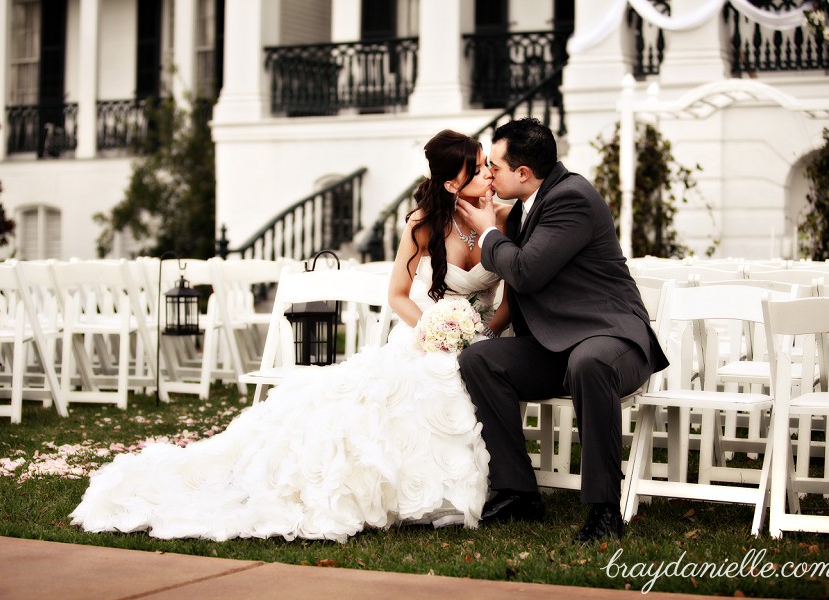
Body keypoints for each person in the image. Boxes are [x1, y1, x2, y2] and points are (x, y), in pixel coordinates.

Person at [69, 129, 512, 543]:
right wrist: (434, 330)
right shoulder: (424, 223)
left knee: (449, 383)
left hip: (481, 339)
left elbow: (514, 290)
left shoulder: (504, 218)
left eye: (488, 166)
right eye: (477, 169)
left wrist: (482, 333)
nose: (488, 173)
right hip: (428, 335)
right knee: (402, 392)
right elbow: (398, 294)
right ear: (453, 185)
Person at [455, 117, 669, 543]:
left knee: (589, 363)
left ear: (523, 173)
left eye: (494, 166)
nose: (489, 174)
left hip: (613, 337)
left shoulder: (572, 198)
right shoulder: (521, 211)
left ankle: (605, 511)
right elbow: (517, 289)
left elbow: (527, 271)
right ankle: (517, 490)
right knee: (480, 359)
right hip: (556, 345)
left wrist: (487, 233)